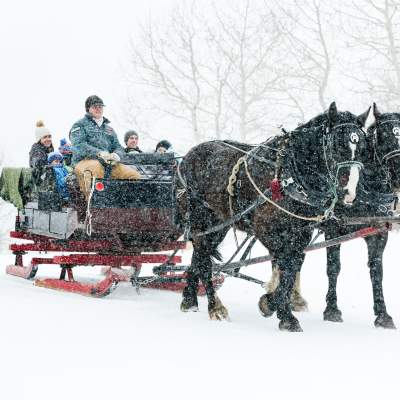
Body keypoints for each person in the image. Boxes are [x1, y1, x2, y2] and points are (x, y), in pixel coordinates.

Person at [69, 95, 140, 198]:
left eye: (100, 106)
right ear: (88, 109)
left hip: (109, 163)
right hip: (84, 161)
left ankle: (126, 205)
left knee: (133, 175)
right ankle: (93, 207)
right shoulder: (79, 125)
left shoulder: (109, 129)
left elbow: (118, 146)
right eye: (95, 107)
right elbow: (79, 145)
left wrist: (116, 155)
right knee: (94, 172)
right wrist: (99, 153)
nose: (98, 109)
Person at [29, 120, 55, 185]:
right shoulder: (37, 151)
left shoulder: (49, 149)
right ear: (39, 140)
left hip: (49, 182)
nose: (48, 139)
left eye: (49, 136)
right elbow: (39, 167)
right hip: (41, 185)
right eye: (45, 137)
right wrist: (53, 165)